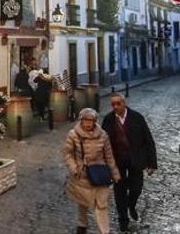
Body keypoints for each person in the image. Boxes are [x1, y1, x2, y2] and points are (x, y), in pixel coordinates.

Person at [101, 93, 158, 233]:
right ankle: (123, 219)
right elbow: (102, 142)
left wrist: (152, 163)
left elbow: (148, 140)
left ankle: (131, 205)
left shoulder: (137, 118)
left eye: (118, 104)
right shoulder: (108, 119)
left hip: (135, 159)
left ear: (124, 103)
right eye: (113, 104)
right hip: (117, 160)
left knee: (136, 188)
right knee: (119, 191)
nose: (115, 107)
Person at [64, 108, 120, 234]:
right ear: (81, 120)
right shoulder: (73, 135)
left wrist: (115, 173)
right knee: (83, 202)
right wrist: (74, 168)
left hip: (100, 174)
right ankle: (82, 225)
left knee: (101, 205)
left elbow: (109, 156)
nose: (89, 123)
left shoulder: (103, 135)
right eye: (86, 120)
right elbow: (67, 153)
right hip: (82, 175)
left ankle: (105, 231)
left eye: (91, 120)